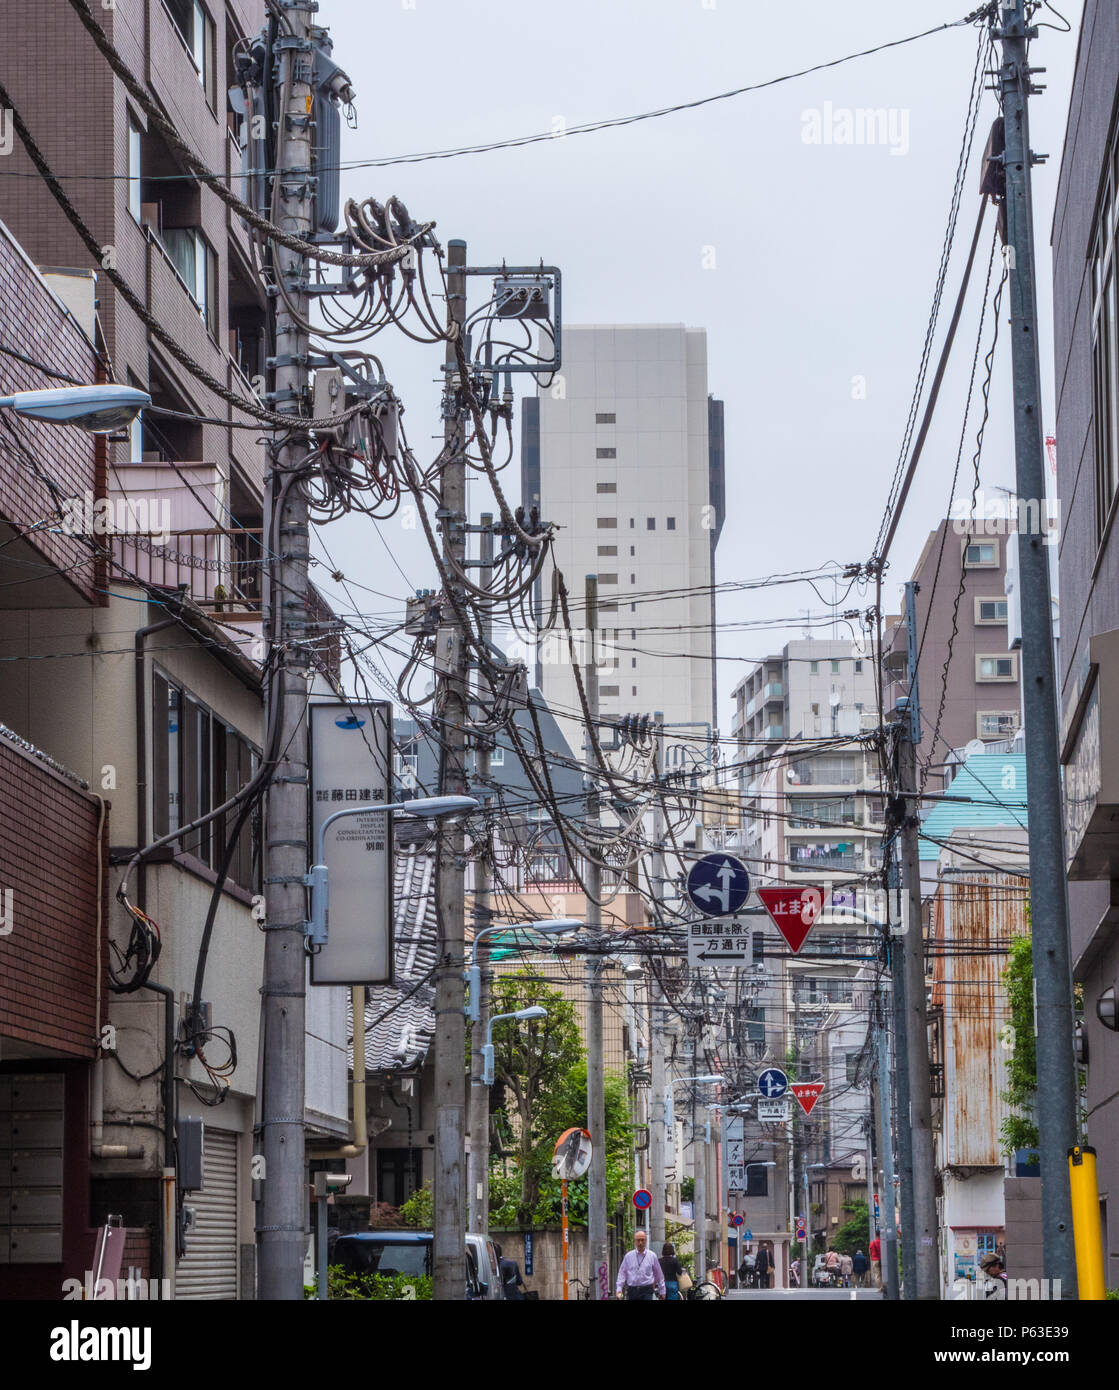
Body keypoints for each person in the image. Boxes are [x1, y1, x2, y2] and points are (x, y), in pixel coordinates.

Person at [616, 1228, 666, 1300]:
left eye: (642, 1240)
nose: (640, 1243)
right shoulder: (628, 1256)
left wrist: (662, 1291)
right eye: (638, 1240)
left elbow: (658, 1274)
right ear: (635, 1241)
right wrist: (619, 1289)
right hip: (632, 1290)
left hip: (647, 1290)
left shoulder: (652, 1256)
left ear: (646, 1241)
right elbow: (622, 1273)